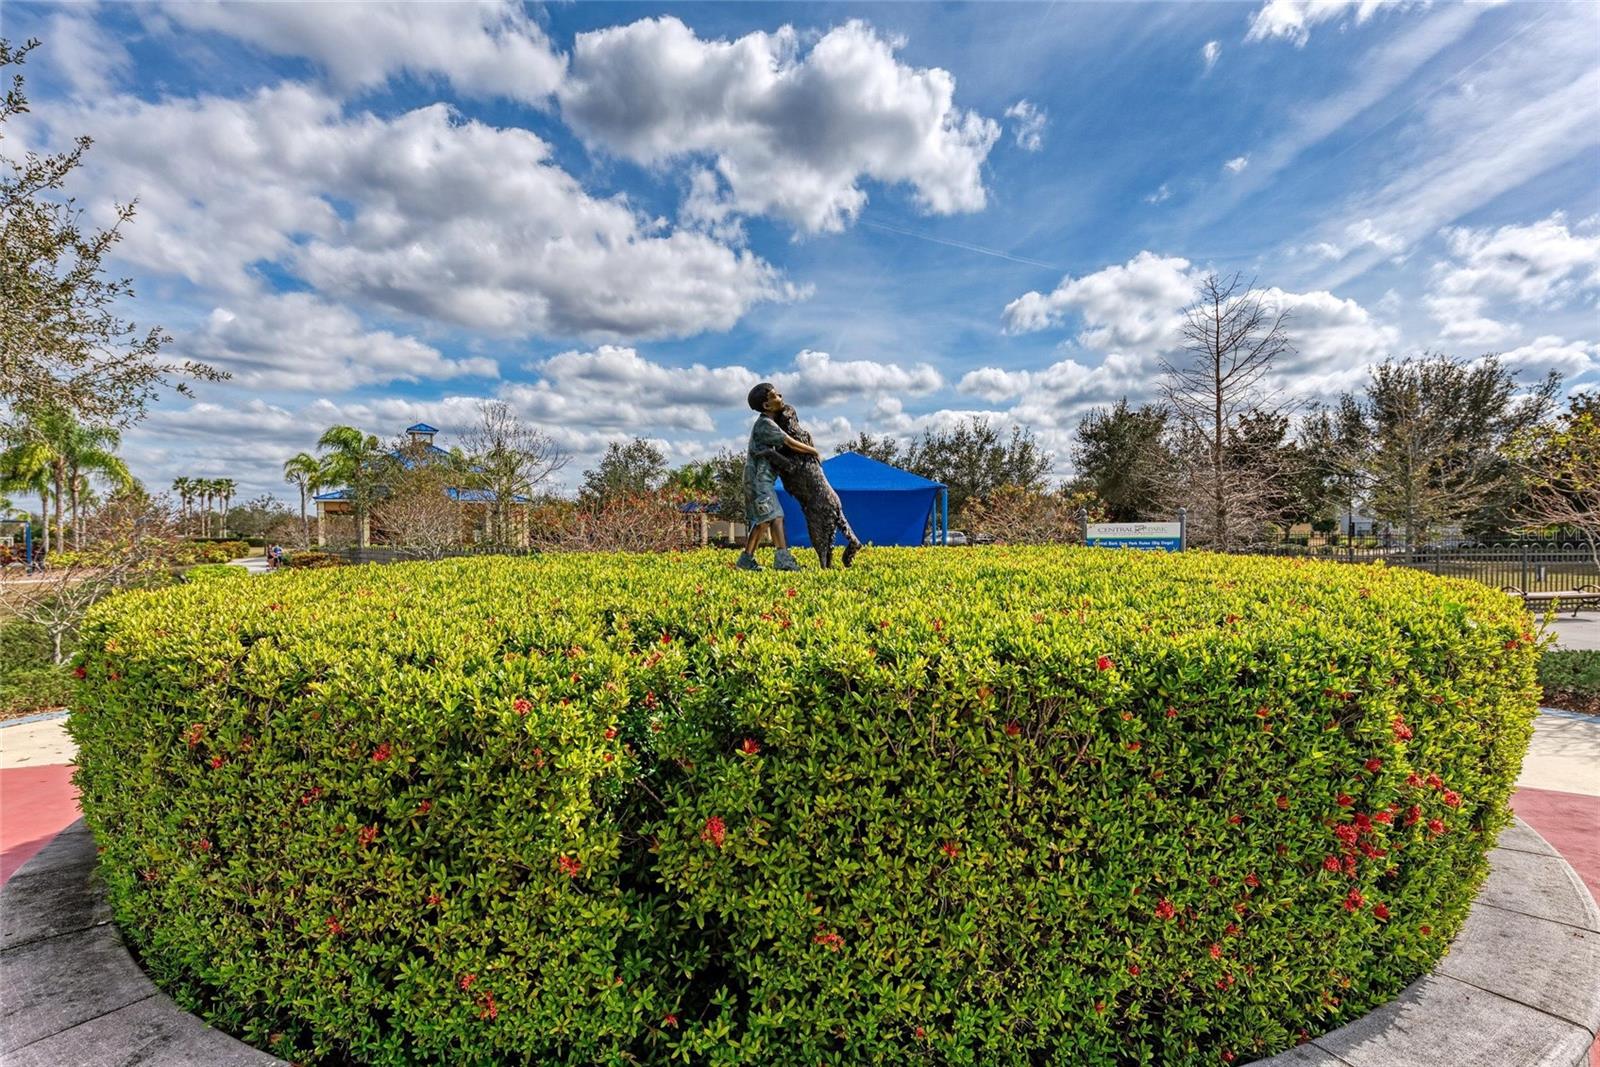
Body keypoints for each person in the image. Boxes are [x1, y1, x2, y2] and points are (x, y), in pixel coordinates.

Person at [739, 382, 816, 572]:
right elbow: (790, 443)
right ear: (766, 405)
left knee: (767, 519)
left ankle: (749, 559)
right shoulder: (765, 424)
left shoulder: (768, 422)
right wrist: (813, 451)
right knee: (773, 517)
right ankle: (781, 559)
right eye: (775, 395)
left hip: (762, 480)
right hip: (758, 481)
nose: (780, 396)